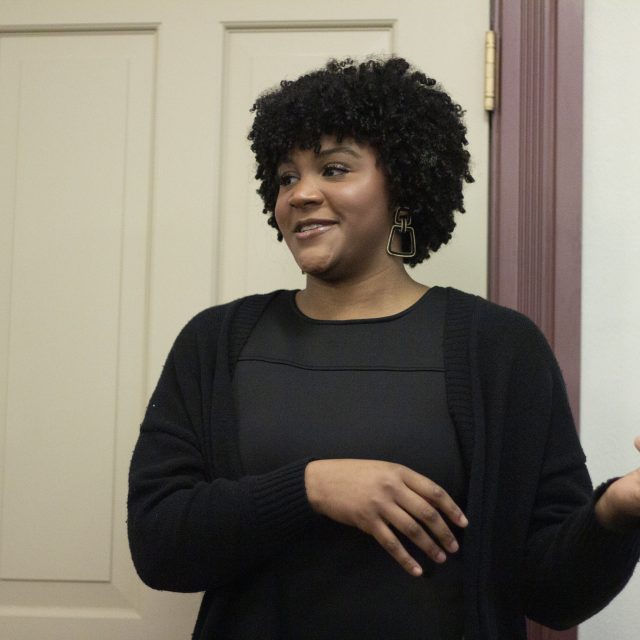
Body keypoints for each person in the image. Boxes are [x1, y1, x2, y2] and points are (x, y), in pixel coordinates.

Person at [127, 57, 640, 639]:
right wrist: (310, 488)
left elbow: (552, 592)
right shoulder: (215, 343)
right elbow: (158, 543)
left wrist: (616, 512)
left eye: (334, 168)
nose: (300, 194)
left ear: (402, 182)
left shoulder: (499, 349)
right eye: (286, 176)